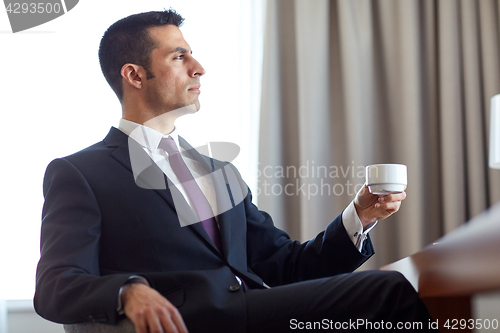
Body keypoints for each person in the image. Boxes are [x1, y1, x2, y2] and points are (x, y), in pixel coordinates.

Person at [34, 9, 435, 333]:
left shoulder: (219, 171)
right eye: (179, 56)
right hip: (196, 320)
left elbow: (286, 266)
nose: (199, 68)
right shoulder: (81, 173)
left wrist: (360, 215)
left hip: (254, 309)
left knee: (396, 293)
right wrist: (127, 291)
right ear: (134, 75)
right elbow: (55, 285)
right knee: (388, 290)